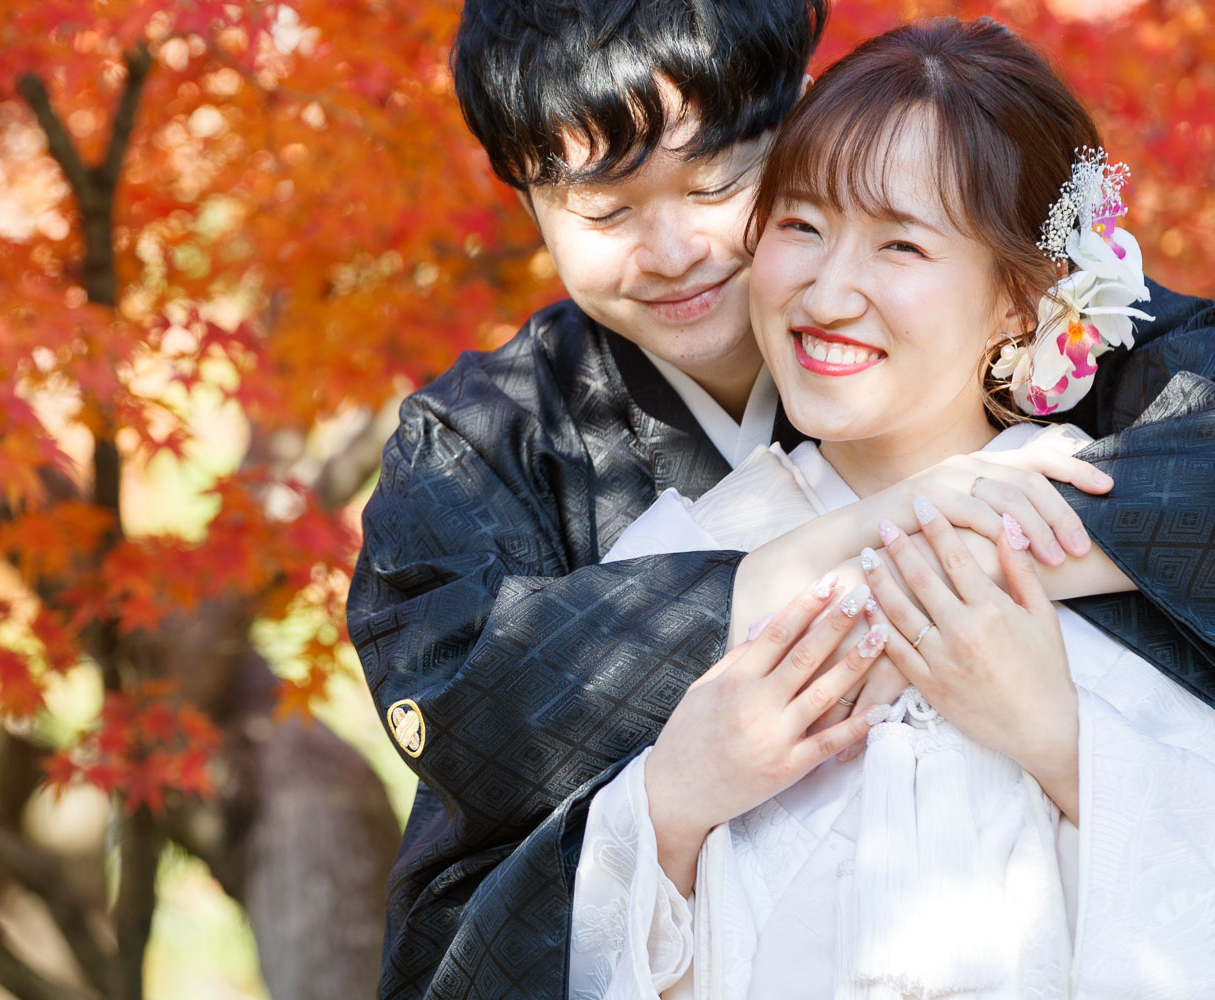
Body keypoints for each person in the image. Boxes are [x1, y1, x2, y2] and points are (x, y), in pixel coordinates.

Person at [347, 1, 1215, 996]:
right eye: (604, 211)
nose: (673, 250)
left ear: (795, 120)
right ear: (528, 197)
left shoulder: (1083, 332)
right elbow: (470, 707)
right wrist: (846, 548)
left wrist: (1031, 667)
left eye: (720, 184)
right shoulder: (493, 442)